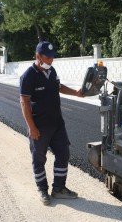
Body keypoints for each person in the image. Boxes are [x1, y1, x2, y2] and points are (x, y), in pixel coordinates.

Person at [19, 41, 83, 205]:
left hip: (57, 124)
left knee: (63, 154)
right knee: (39, 159)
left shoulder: (52, 71)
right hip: (39, 126)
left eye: (53, 57)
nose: (51, 61)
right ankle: (42, 190)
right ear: (38, 56)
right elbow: (24, 103)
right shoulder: (28, 76)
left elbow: (58, 86)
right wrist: (31, 127)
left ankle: (59, 189)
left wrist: (76, 93)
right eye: (48, 58)